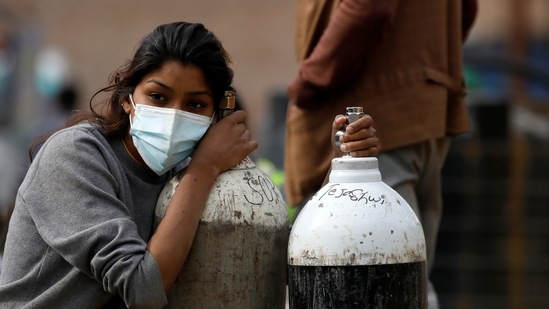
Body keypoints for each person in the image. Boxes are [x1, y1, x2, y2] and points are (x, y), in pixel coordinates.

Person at [0, 21, 379, 308]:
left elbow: (270, 251)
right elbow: (142, 287)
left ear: (216, 114)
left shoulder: (187, 172)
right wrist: (204, 169)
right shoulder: (76, 156)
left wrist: (342, 171)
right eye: (158, 97)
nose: (174, 115)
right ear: (128, 98)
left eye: (196, 105)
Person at [284, 1, 478, 308]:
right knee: (411, 278)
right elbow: (465, 10)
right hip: (428, 110)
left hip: (375, 115)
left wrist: (310, 80)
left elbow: (368, 8)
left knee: (382, 280)